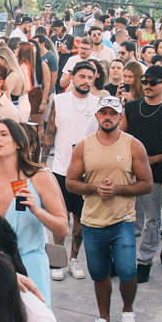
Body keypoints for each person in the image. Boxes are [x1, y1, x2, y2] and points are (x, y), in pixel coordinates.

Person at [68, 95, 152, 322]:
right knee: (99, 273)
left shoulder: (133, 145)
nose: (108, 117)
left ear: (120, 117)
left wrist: (118, 190)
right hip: (92, 221)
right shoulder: (83, 146)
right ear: (96, 116)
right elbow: (71, 182)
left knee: (127, 271)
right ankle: (103, 319)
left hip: (122, 220)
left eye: (113, 113)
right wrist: (94, 187)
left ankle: (128, 313)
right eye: (103, 113)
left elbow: (147, 184)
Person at [0, 117, 68, 304]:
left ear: (19, 143)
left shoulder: (40, 177)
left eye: (4, 134)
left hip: (31, 266)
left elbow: (63, 228)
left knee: (34, 320)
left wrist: (37, 210)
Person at [44, 58, 102, 279]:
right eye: (82, 76)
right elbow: (50, 132)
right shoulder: (59, 100)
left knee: (80, 218)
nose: (86, 81)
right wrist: (42, 162)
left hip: (87, 172)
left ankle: (74, 260)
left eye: (90, 77)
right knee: (60, 216)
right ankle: (58, 261)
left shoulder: (98, 104)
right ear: (73, 77)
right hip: (60, 168)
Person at [123, 66, 162, 281]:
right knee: (125, 217)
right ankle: (122, 259)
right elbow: (120, 135)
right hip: (128, 171)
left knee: (152, 219)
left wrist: (155, 161)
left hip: (155, 173)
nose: (148, 85)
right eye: (145, 81)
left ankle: (145, 262)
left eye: (153, 82)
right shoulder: (132, 107)